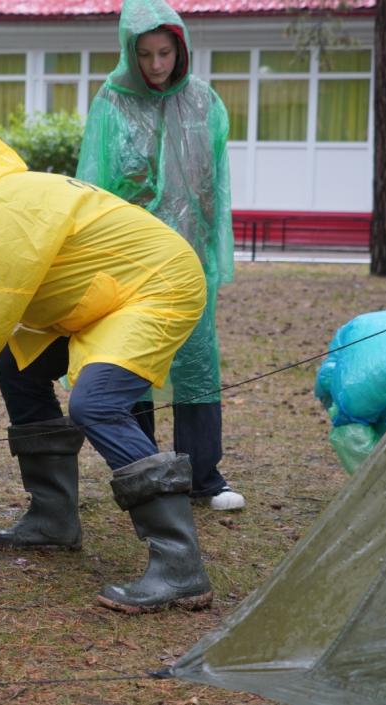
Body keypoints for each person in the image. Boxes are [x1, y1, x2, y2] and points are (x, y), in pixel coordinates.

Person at [0, 132, 213, 614]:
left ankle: (180, 566)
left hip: (154, 287)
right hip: (101, 299)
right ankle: (53, 518)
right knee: (14, 360)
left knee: (96, 404)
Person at [76, 0, 243, 511]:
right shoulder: (111, 101)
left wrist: (213, 248)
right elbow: (93, 181)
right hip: (131, 258)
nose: (155, 64)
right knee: (135, 356)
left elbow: (215, 181)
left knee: (196, 361)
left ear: (181, 48)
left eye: (164, 52)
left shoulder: (203, 102)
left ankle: (203, 476)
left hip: (190, 256)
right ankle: (142, 468)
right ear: (129, 52)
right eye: (144, 53)